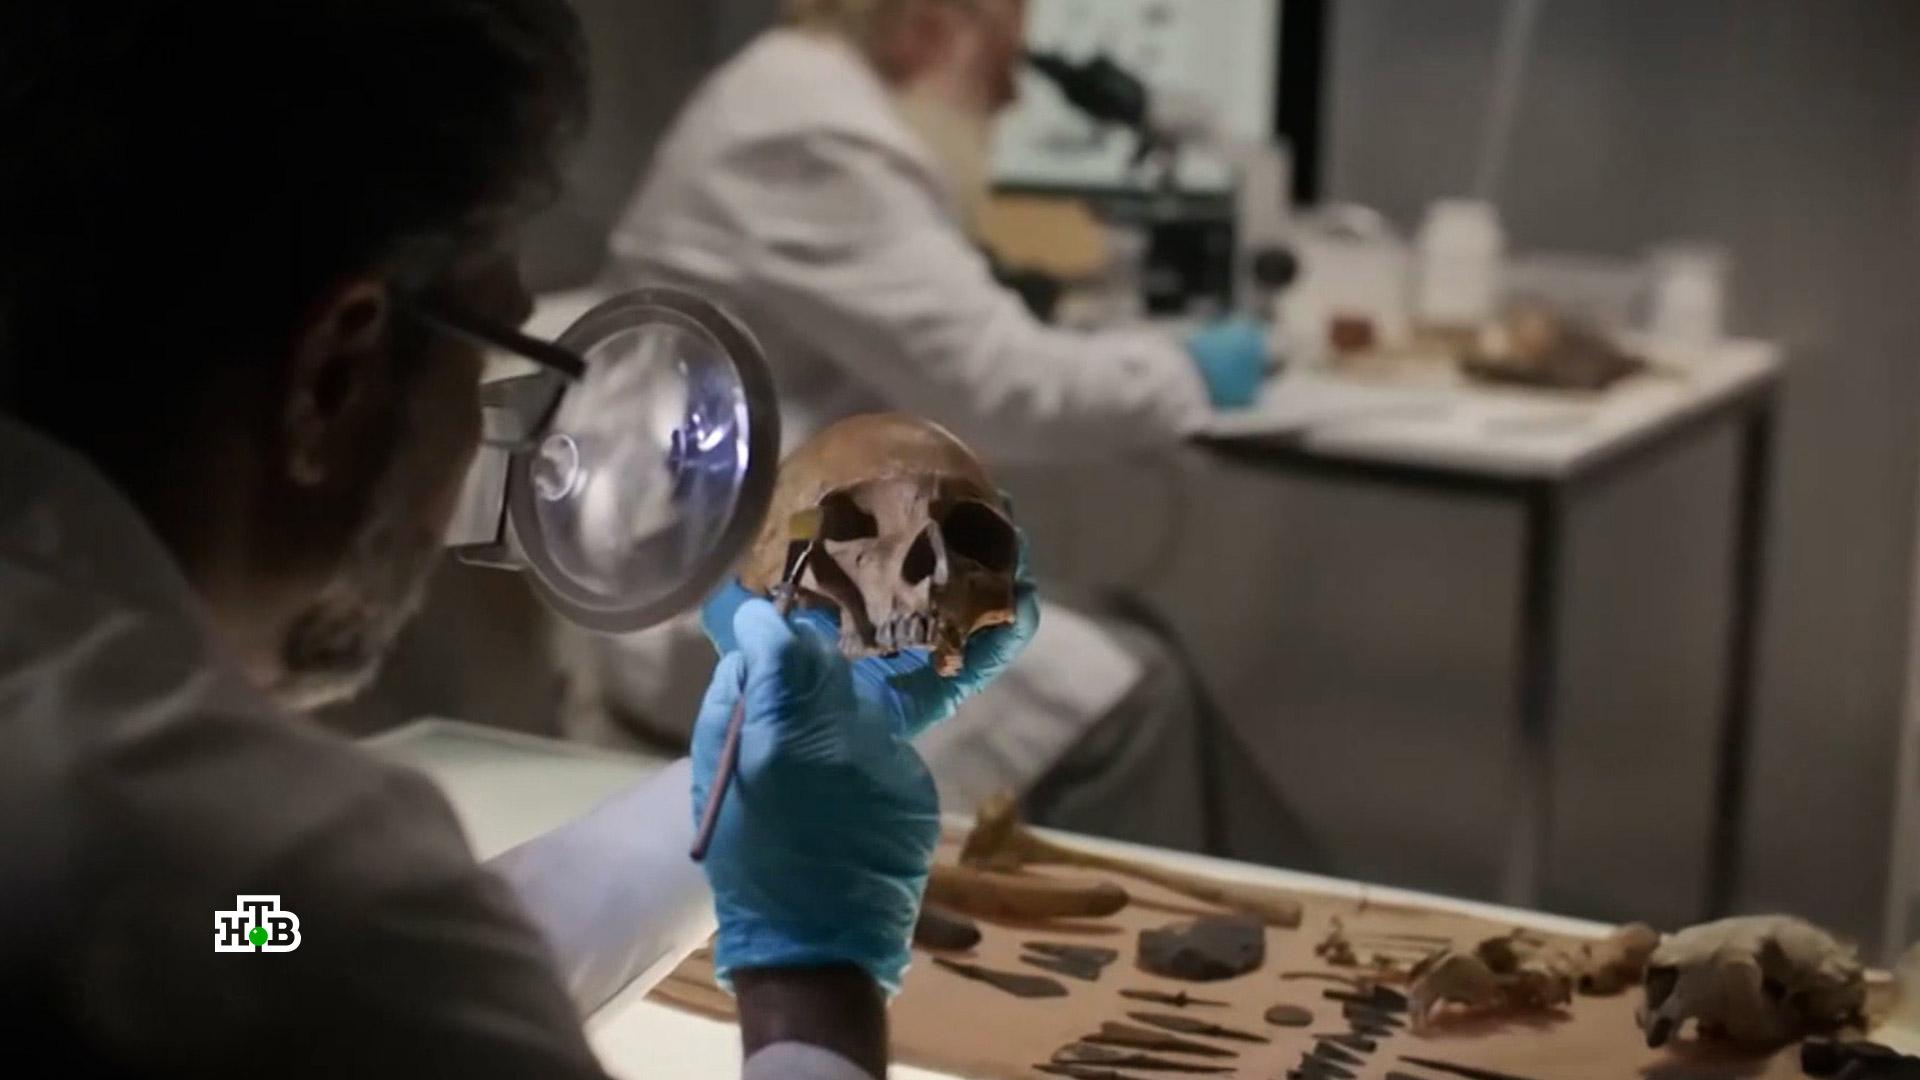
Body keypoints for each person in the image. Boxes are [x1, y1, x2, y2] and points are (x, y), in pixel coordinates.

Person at [0, 2, 1033, 1077]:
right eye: (495, 355)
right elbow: (356, 938)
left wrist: (726, 801)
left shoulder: (219, 894)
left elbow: (283, 942)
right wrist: (812, 974)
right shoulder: (241, 850)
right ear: (334, 377)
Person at [589, 0, 1254, 843]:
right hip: (717, 610)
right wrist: (1188, 372)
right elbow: (1002, 385)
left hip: (750, 558)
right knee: (1134, 691)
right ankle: (1092, 923)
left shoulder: (791, 94)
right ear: (931, 23)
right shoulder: (816, 132)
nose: (1011, 99)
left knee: (1128, 626)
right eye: (1001, 62)